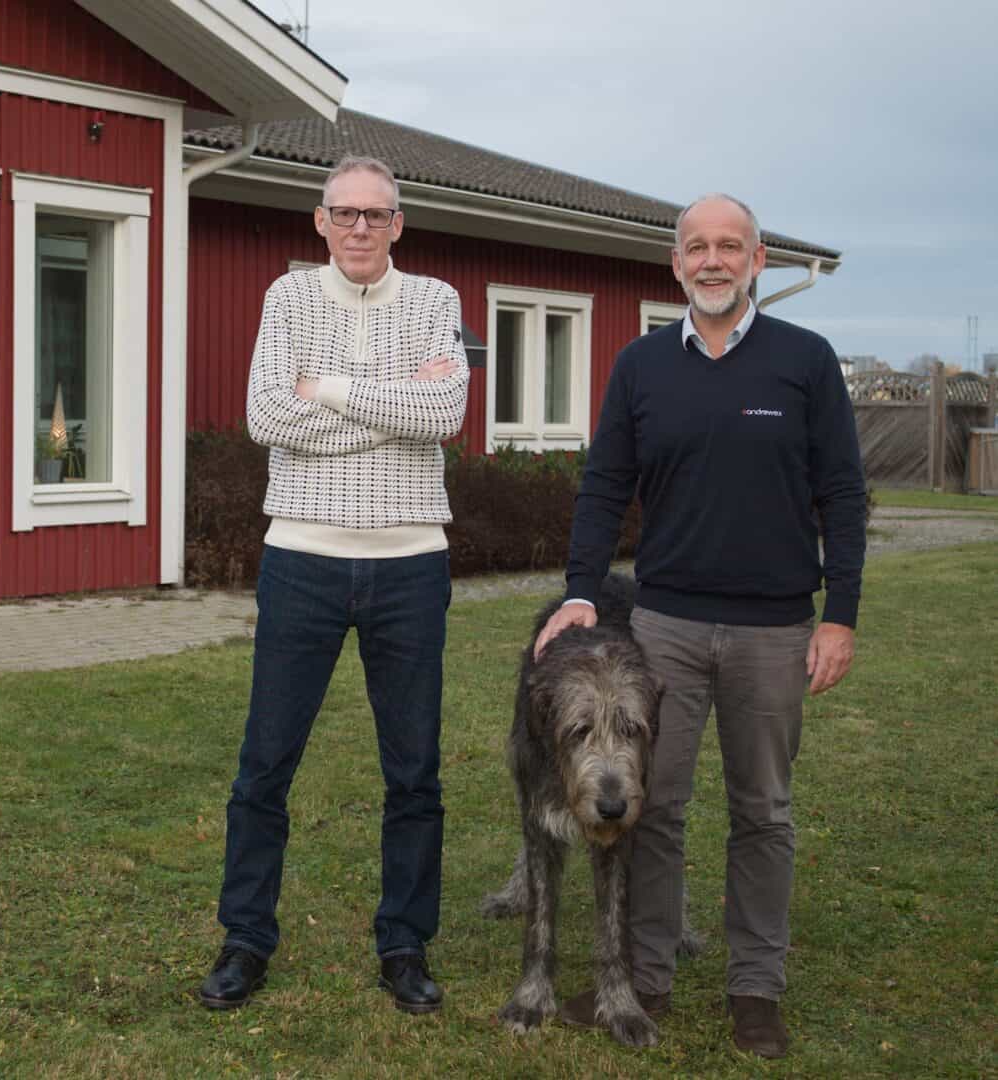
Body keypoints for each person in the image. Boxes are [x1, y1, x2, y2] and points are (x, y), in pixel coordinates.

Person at [533, 193, 867, 1057]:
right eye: (697, 248)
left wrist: (841, 615)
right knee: (654, 807)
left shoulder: (805, 360)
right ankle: (644, 978)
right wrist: (578, 590)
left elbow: (843, 494)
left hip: (773, 631)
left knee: (763, 811)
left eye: (731, 247)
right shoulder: (642, 365)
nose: (713, 261)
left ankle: (755, 988)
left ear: (756, 262)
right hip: (663, 627)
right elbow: (605, 483)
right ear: (676, 264)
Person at [198, 156, 469, 1015]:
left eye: (377, 216)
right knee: (265, 764)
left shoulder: (436, 301)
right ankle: (245, 939)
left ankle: (404, 942)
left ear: (399, 225)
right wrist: (394, 407)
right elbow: (266, 417)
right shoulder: (287, 298)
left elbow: (446, 417)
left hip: (411, 562)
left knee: (414, 770)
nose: (360, 228)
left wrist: (337, 390)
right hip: (303, 558)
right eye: (345, 214)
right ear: (319, 222)